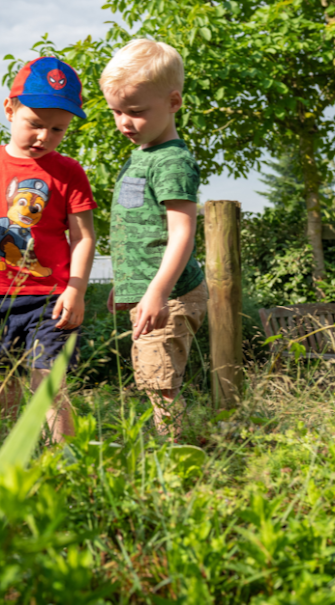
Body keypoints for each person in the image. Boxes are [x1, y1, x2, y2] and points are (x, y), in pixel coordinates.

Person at [0, 56, 97, 442]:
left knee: (49, 382)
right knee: (2, 383)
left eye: (57, 129)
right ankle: (9, 451)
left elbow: (84, 236)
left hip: (51, 297)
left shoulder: (69, 173)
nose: (44, 136)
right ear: (9, 109)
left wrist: (77, 288)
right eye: (35, 123)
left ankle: (62, 462)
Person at [101, 39, 208, 441]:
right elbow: (140, 229)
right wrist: (127, 283)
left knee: (160, 381)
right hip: (150, 290)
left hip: (173, 293)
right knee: (150, 377)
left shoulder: (172, 162)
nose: (124, 122)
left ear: (174, 102)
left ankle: (174, 457)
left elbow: (182, 233)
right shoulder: (142, 155)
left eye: (136, 112)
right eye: (116, 112)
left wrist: (157, 292)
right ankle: (171, 451)